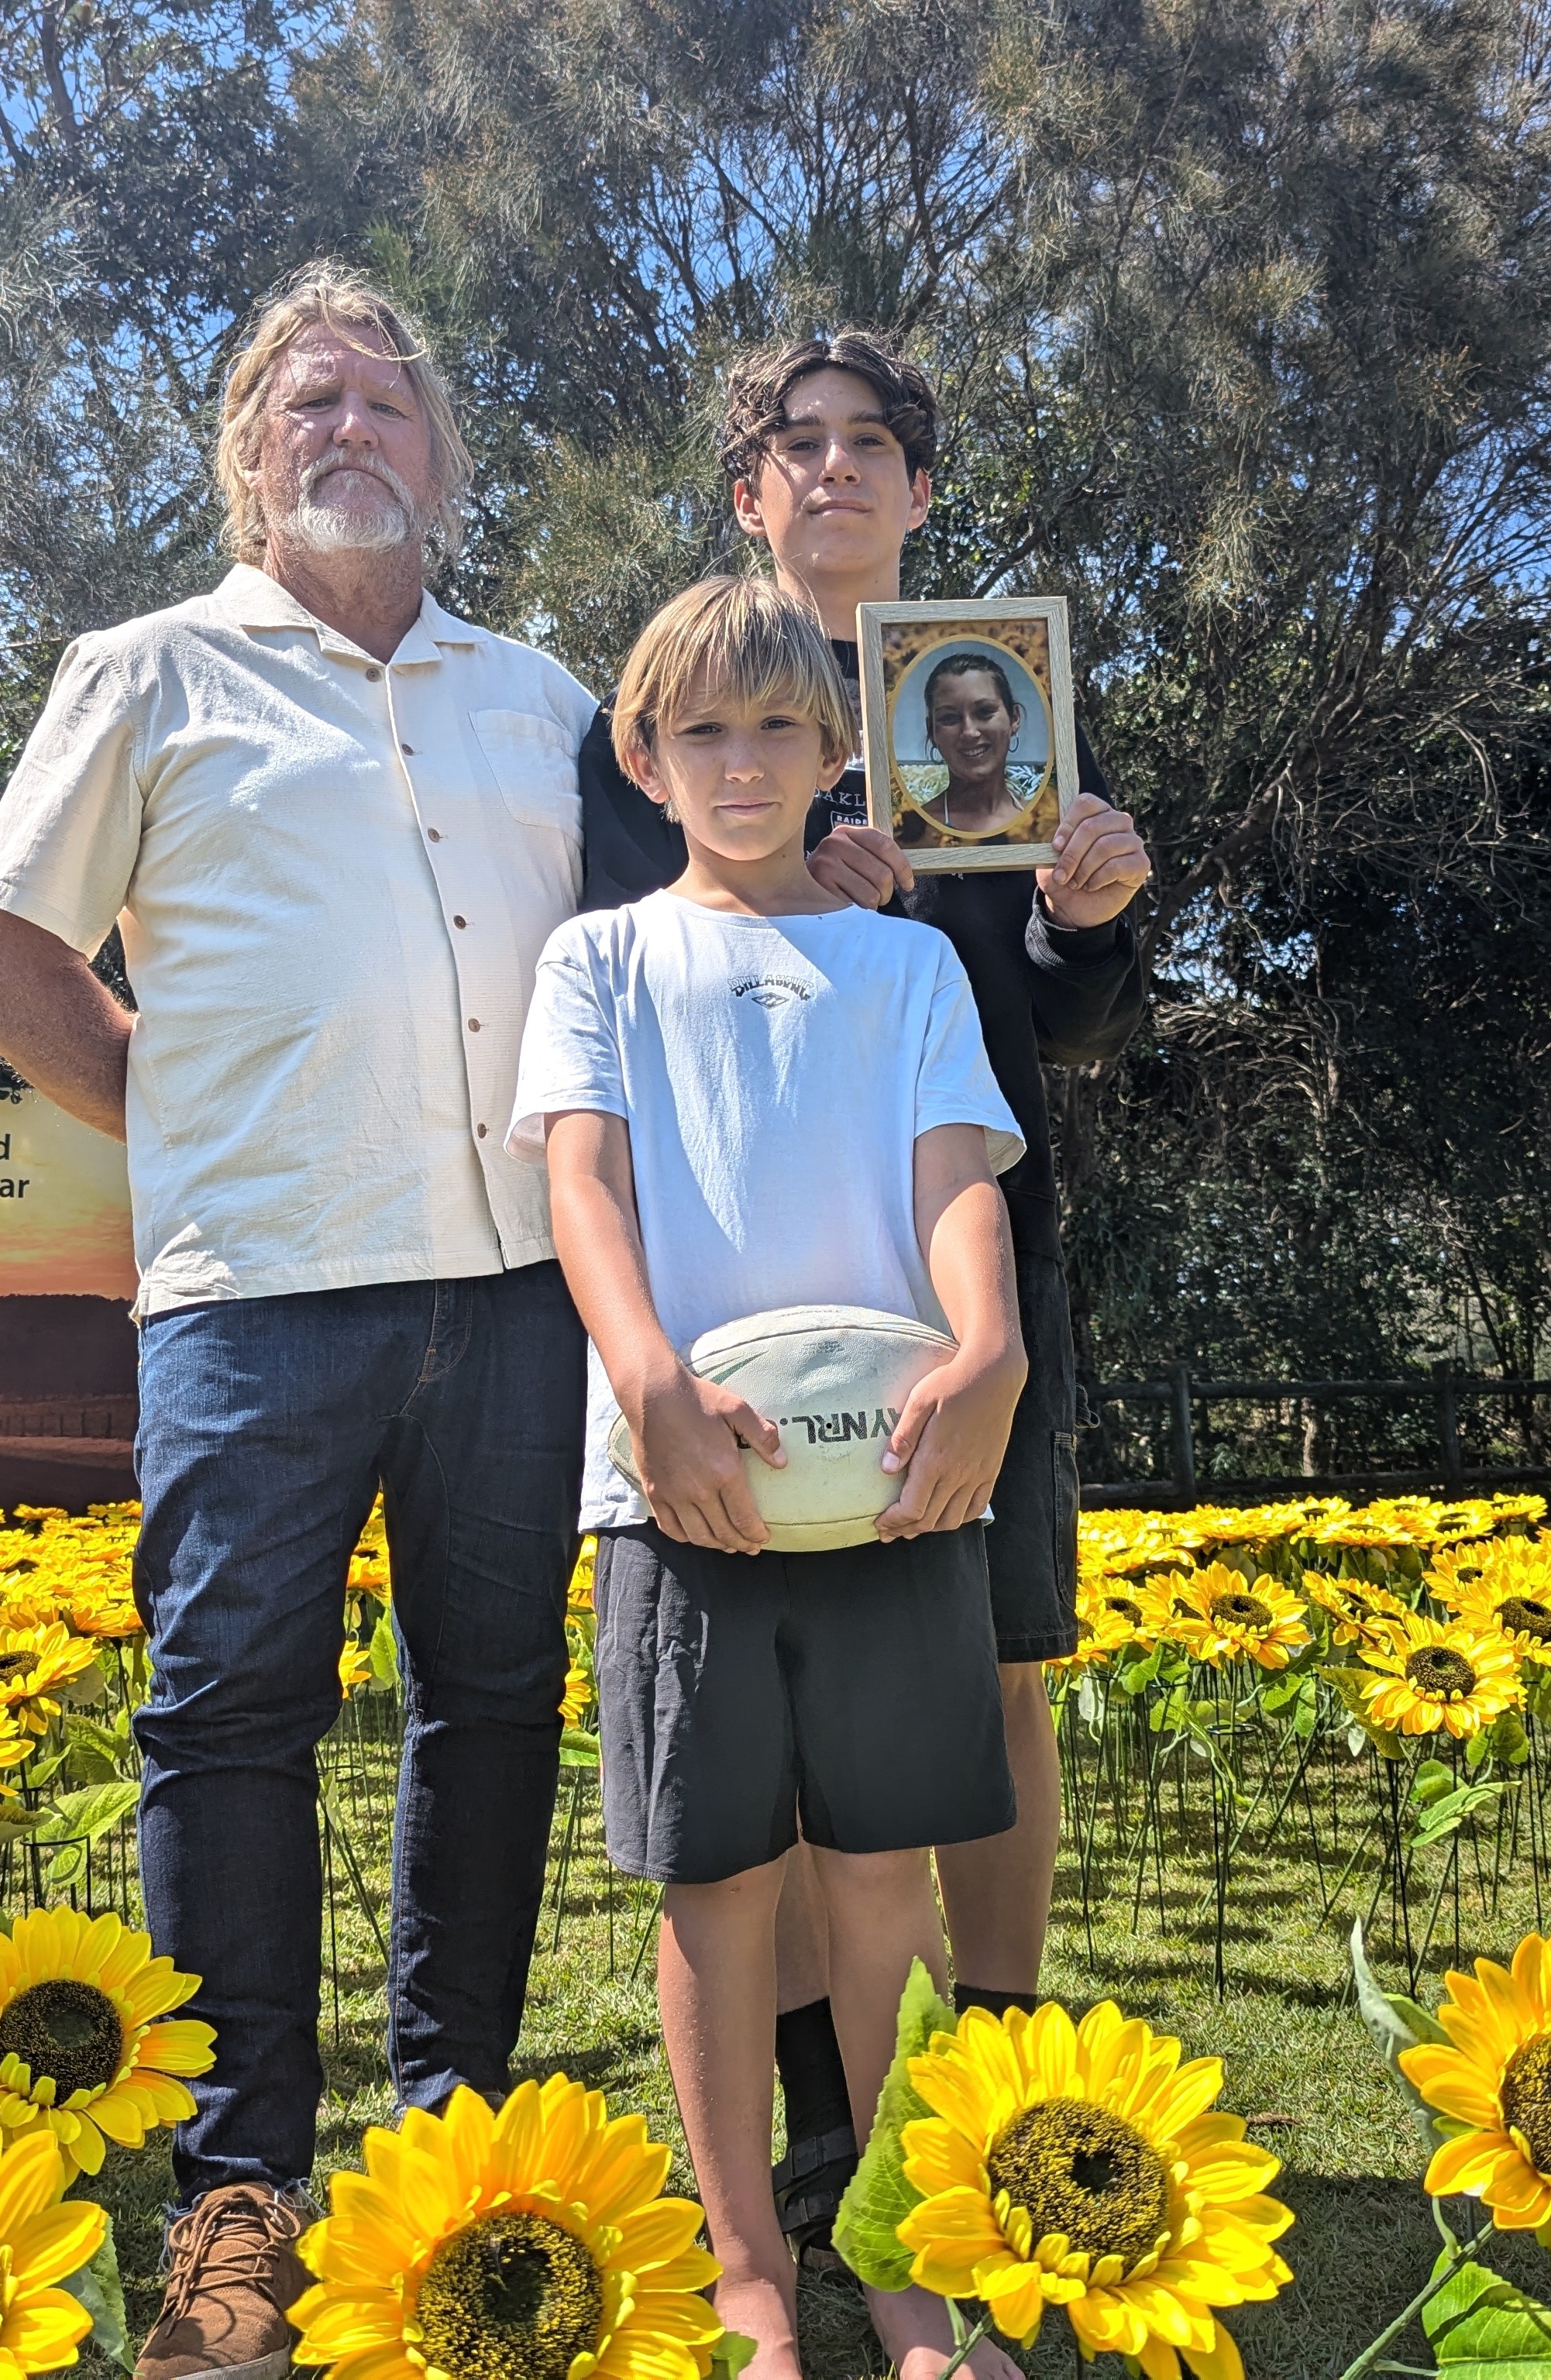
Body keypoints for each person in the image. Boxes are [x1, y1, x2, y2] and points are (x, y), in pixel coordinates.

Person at [0, 263, 596, 2380]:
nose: (347, 429)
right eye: (304, 403)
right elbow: (1, 958)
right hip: (252, 1298)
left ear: (443, 459)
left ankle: (455, 2143)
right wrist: (190, 1117)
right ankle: (239, 2194)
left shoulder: (547, 697)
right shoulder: (144, 671)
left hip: (514, 1293)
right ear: (247, 455)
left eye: (384, 402)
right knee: (228, 1722)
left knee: (490, 1709)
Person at [575, 330, 1153, 2249]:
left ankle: (985, 2075)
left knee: (984, 1669)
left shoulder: (994, 715)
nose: (833, 471)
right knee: (791, 1732)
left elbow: (1056, 1031)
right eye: (795, 445)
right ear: (747, 489)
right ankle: (825, 2138)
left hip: (974, 1263)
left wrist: (1088, 919)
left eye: (871, 445)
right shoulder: (680, 716)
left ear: (918, 490)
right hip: (749, 1314)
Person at [515, 576, 1030, 2380]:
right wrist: (646, 1378)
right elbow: (580, 1186)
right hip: (680, 1491)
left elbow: (951, 1178)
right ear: (644, 757)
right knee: (717, 1888)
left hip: (891, 1490)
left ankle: (899, 2263)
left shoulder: (906, 965)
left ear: (832, 750)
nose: (739, 764)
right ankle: (746, 2269)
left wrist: (989, 1345)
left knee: (887, 1881)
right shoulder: (594, 961)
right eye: (698, 731)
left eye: (774, 728)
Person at [900, 648, 1055, 847]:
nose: (969, 732)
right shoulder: (911, 834)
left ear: (1014, 719)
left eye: (985, 712)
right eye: (949, 718)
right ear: (932, 732)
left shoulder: (1046, 826)